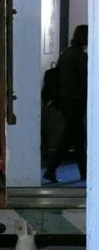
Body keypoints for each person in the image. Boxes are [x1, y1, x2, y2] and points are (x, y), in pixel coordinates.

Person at [43, 25, 88, 183]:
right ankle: (81, 172)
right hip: (76, 101)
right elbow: (84, 81)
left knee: (73, 138)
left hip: (65, 101)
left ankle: (54, 170)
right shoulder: (80, 56)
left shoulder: (66, 53)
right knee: (74, 138)